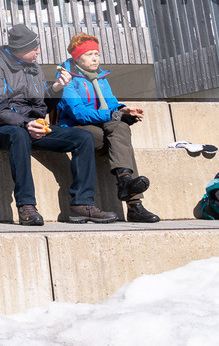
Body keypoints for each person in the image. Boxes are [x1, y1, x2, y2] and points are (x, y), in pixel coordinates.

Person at [0, 24, 117, 226]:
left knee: (83, 138)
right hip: (1, 129)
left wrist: (56, 88)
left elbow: (41, 105)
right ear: (20, 49)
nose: (38, 51)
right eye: (34, 48)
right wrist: (27, 123)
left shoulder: (34, 68)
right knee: (18, 135)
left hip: (35, 125)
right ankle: (26, 206)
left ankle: (82, 205)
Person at [55, 33, 160, 223]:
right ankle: (132, 199)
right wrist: (112, 114)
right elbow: (78, 112)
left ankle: (127, 186)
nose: (95, 58)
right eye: (89, 54)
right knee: (118, 142)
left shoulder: (101, 76)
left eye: (97, 53)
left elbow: (110, 104)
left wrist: (123, 110)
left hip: (100, 124)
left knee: (121, 128)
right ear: (77, 57)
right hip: (77, 128)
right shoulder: (66, 77)